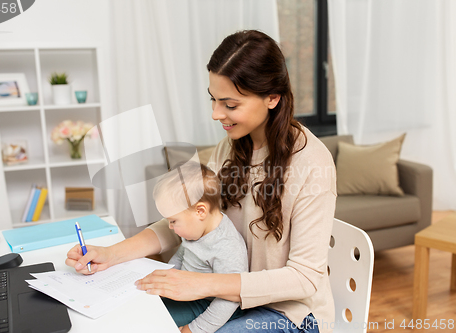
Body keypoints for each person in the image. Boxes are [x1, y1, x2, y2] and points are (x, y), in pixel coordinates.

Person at [66, 30, 336, 333]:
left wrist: (201, 284)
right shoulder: (229, 149)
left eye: (230, 105)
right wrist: (110, 254)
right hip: (224, 294)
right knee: (138, 317)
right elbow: (184, 216)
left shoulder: (312, 163)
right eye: (214, 100)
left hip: (288, 313)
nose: (215, 114)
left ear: (272, 98)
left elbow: (305, 277)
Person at [153, 161, 248, 332]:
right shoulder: (196, 230)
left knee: (157, 321)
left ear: (200, 211)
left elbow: (230, 300)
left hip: (212, 306)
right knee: (149, 306)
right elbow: (183, 255)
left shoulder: (227, 247)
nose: (170, 227)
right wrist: (165, 279)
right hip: (188, 294)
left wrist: (194, 329)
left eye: (173, 221)